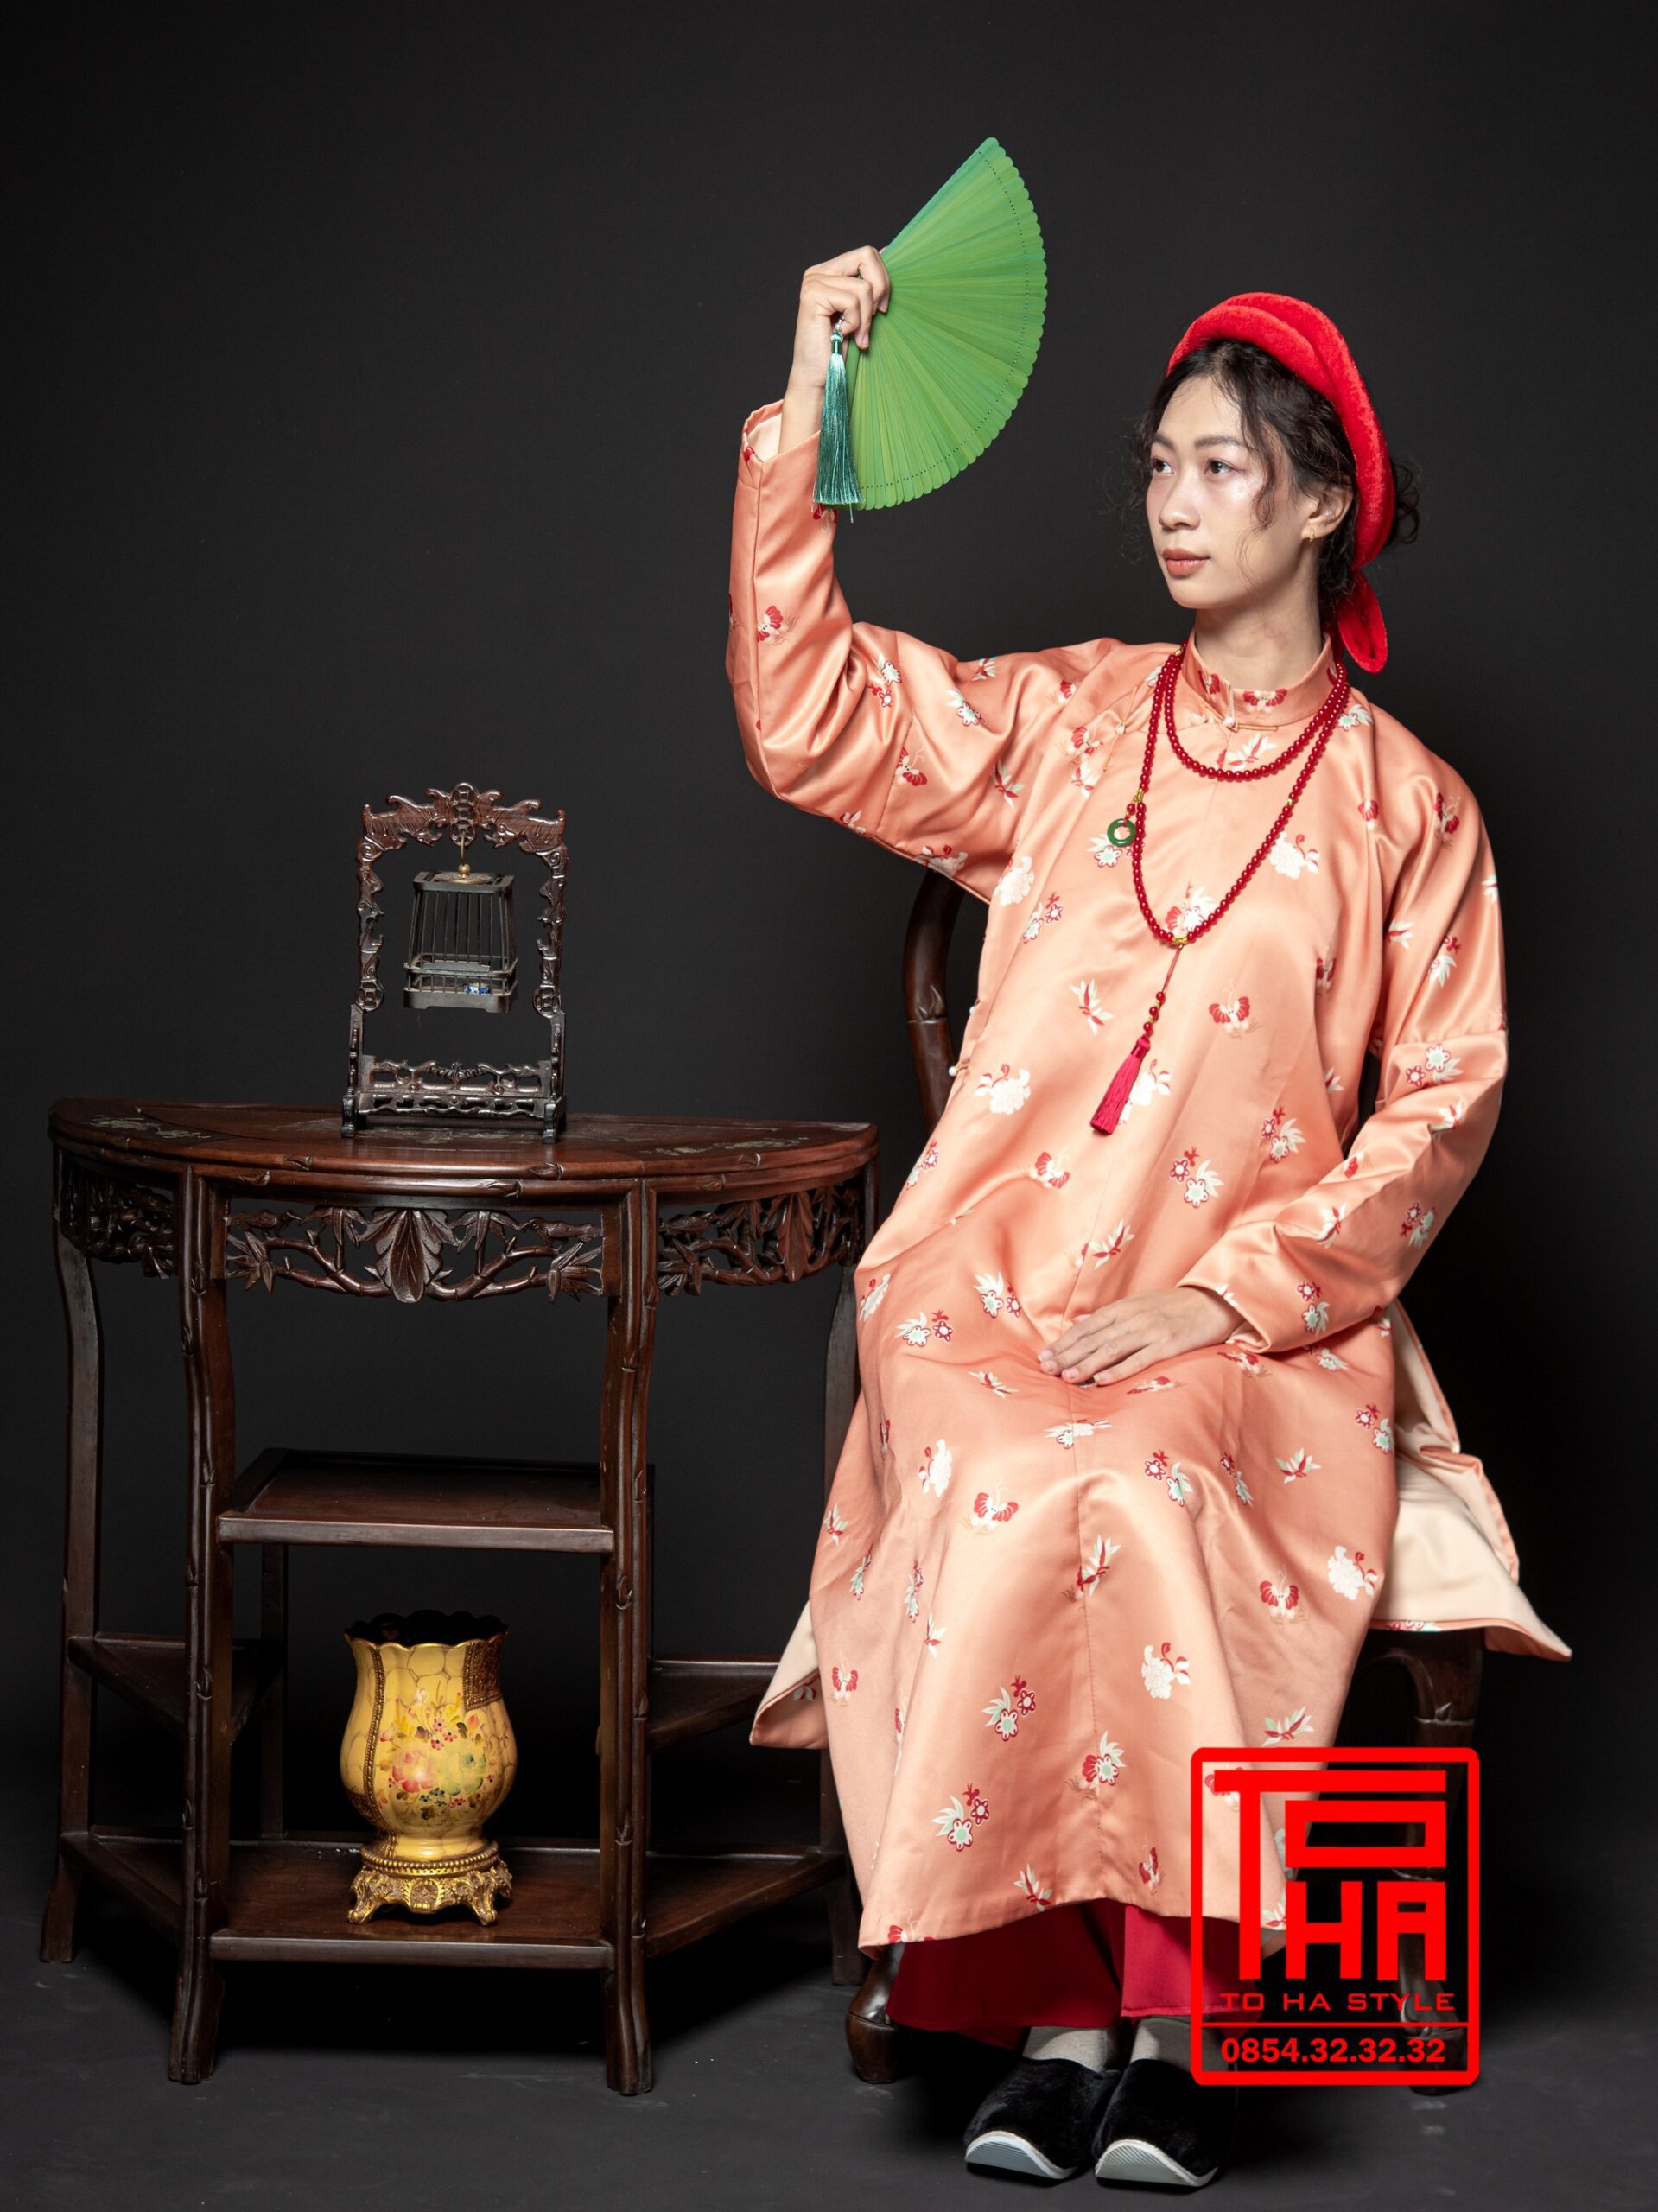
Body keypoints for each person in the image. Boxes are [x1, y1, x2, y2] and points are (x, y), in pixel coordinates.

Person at [725, 255, 1508, 2189]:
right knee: (1010, 1472)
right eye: (1159, 464)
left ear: (1322, 505)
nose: (1172, 501)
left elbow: (1443, 1104)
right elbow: (812, 713)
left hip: (1258, 1313)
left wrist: (1229, 1295)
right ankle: (1054, 2017)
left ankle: (1173, 2025)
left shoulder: (1410, 809)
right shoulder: (1067, 721)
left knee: (1146, 1482)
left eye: (1221, 467)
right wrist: (808, 402)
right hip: (992, 1282)